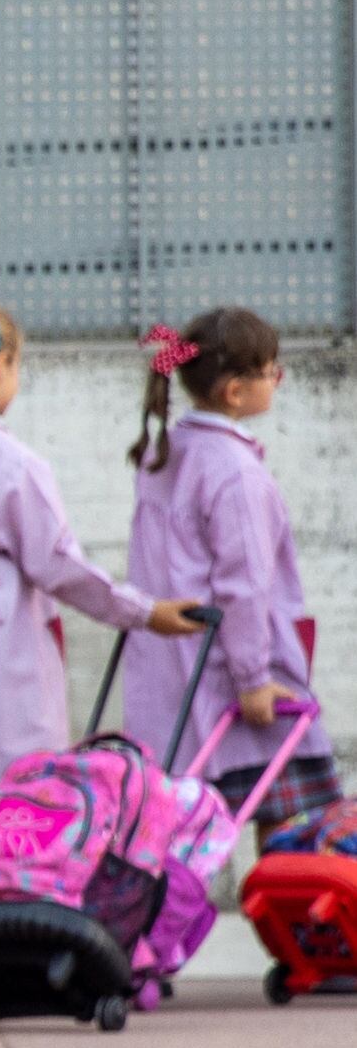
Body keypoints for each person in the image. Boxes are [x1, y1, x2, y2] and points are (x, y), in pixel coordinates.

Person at [0, 302, 199, 1017]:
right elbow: (61, 567)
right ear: (0, 368)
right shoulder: (13, 465)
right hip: (0, 674)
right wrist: (144, 611)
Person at [121, 309, 336, 832]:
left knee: (175, 838)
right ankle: (276, 916)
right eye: (271, 371)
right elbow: (244, 586)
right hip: (233, 685)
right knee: (287, 825)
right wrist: (254, 679)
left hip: (169, 685)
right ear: (236, 391)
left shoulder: (167, 453)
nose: (277, 380)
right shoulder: (236, 472)